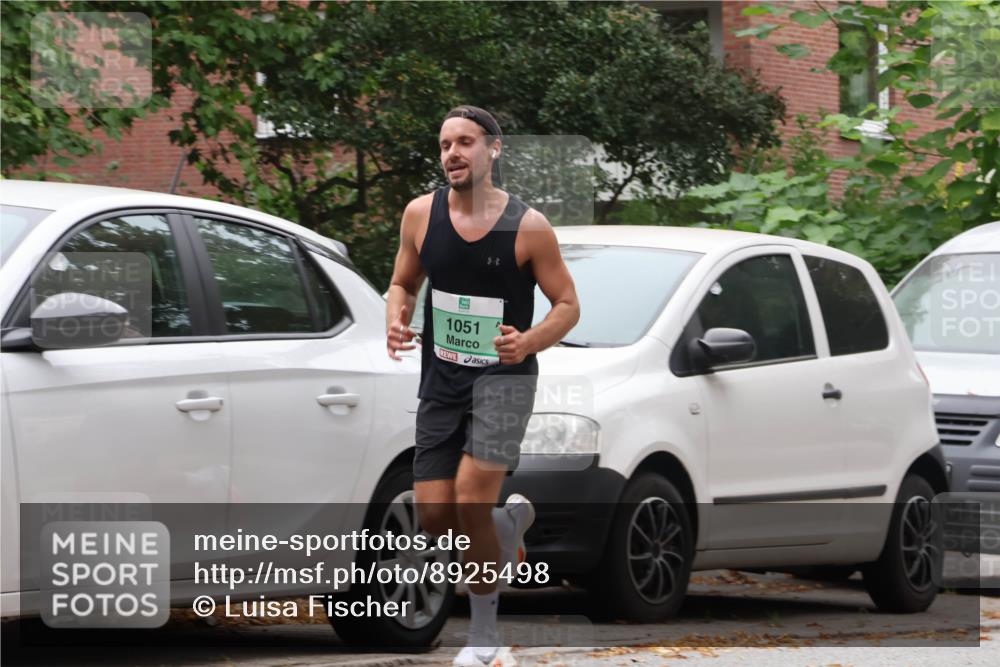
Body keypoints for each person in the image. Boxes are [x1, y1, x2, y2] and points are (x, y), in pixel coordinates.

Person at [385, 105, 580, 667]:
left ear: (493, 149)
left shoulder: (529, 227)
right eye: (445, 143)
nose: (452, 153)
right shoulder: (420, 216)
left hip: (504, 380)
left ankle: (485, 641)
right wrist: (396, 317)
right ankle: (506, 522)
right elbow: (402, 282)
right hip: (441, 379)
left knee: (471, 496)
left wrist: (529, 341)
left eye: (465, 142)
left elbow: (568, 305)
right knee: (434, 515)